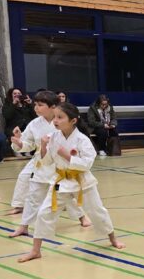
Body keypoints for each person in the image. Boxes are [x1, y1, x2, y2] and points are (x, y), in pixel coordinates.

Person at [16, 102, 124, 262]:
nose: (56, 121)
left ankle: (113, 239)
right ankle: (35, 250)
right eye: (55, 117)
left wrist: (67, 155)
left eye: (60, 117)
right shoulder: (53, 138)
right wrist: (44, 146)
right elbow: (46, 162)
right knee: (44, 213)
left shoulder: (82, 140)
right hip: (61, 181)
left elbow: (87, 164)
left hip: (82, 182)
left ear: (73, 121)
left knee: (97, 211)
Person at [7, 90, 89, 231]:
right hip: (41, 162)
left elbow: (73, 141)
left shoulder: (64, 122)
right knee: (33, 196)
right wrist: (19, 143)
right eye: (35, 105)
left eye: (40, 105)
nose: (36, 108)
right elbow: (28, 144)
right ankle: (23, 226)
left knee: (65, 193)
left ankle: (82, 216)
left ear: (53, 106)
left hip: (60, 165)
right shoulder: (34, 124)